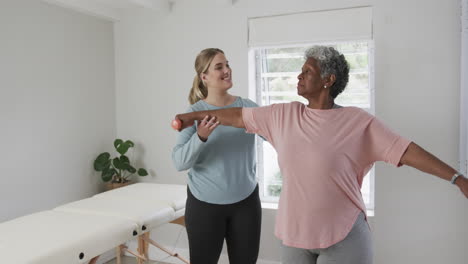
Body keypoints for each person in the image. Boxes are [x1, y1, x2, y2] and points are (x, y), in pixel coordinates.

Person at [172, 46, 468, 264]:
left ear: (328, 79)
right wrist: (188, 118)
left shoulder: (358, 122)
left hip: (344, 237)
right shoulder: (283, 114)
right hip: (295, 239)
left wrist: (457, 178)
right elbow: (235, 116)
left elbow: (408, 151)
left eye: (308, 71)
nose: (299, 76)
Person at [172, 48, 261, 264]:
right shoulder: (194, 112)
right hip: (204, 206)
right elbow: (179, 161)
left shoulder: (247, 107)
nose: (227, 70)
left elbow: (276, 133)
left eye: (227, 64)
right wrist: (200, 137)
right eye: (219, 67)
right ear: (204, 77)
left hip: (246, 203)